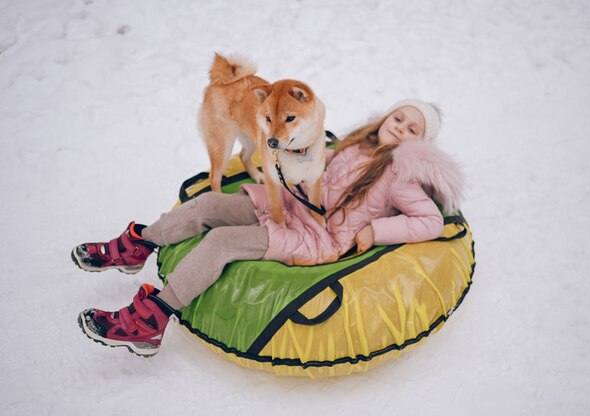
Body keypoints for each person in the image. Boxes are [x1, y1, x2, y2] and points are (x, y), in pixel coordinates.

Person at [72, 99, 464, 357]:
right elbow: (321, 168)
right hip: (294, 206)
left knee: (222, 241)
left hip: (317, 237)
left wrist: (375, 233)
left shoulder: (401, 173)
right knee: (209, 204)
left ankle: (152, 320)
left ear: (420, 144)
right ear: (386, 117)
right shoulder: (356, 144)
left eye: (413, 129)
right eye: (399, 118)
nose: (400, 128)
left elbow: (429, 221)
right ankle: (139, 244)